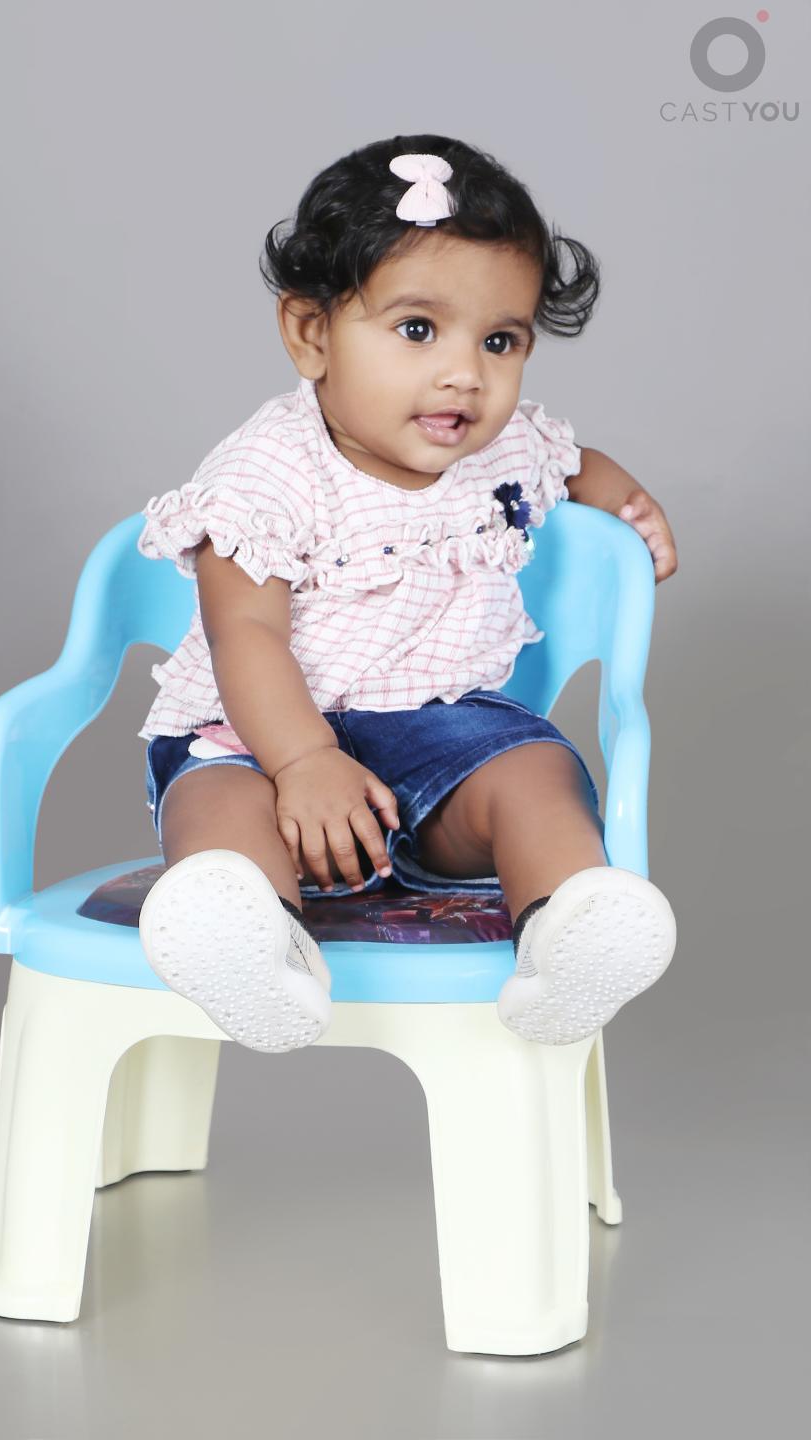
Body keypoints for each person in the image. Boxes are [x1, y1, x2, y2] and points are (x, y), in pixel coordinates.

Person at [135, 134, 678, 1054]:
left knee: (534, 771)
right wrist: (305, 760)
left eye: (499, 341)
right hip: (265, 739)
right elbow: (245, 635)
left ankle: (568, 933)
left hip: (440, 736)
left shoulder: (503, 448)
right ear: (311, 334)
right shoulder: (266, 473)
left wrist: (632, 507)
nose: (465, 373)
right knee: (215, 804)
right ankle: (255, 946)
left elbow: (577, 466)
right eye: (418, 330)